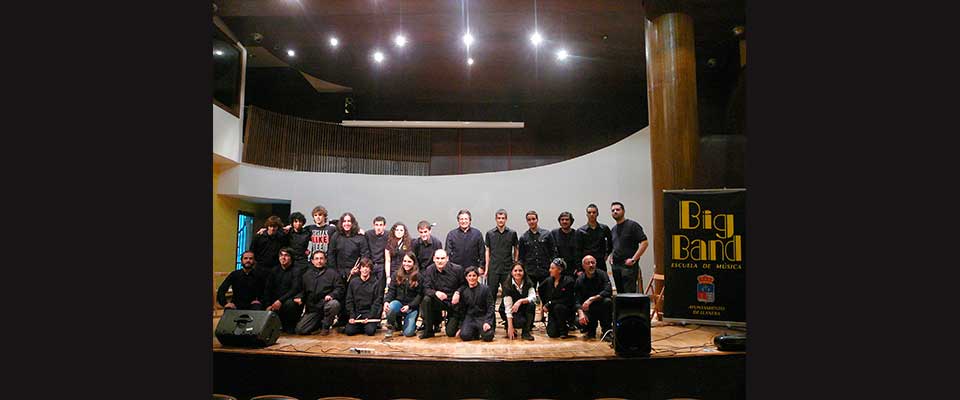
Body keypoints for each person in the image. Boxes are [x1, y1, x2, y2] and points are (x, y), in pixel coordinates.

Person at [328, 212, 370, 328]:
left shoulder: (360, 237)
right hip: (339, 272)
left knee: (352, 297)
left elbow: (365, 255)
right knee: (341, 296)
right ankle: (342, 319)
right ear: (341, 223)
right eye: (344, 221)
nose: (347, 223)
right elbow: (331, 254)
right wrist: (334, 272)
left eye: (349, 221)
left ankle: (354, 318)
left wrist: (359, 269)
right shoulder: (336, 236)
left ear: (353, 223)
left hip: (355, 272)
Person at [419, 249, 466, 339]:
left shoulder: (457, 269)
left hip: (453, 304)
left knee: (450, 333)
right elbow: (425, 288)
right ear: (433, 259)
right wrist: (435, 293)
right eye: (437, 258)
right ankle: (429, 331)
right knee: (426, 299)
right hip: (439, 302)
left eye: (442, 258)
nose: (440, 261)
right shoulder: (429, 270)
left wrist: (458, 292)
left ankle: (452, 321)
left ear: (447, 258)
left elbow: (464, 285)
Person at [295, 250, 344, 336]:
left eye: (321, 258)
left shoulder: (333, 273)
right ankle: (317, 324)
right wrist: (300, 297)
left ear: (325, 260)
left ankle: (325, 326)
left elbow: (340, 288)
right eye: (316, 259)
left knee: (334, 304)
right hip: (313, 309)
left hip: (326, 305)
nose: (319, 261)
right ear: (312, 261)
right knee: (300, 330)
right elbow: (303, 291)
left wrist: (332, 295)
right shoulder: (306, 275)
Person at [608, 202, 649, 294]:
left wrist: (634, 259)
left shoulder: (633, 225)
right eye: (613, 210)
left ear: (623, 211)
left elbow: (645, 243)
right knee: (620, 293)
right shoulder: (614, 229)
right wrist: (611, 256)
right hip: (616, 266)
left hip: (628, 266)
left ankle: (630, 309)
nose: (615, 212)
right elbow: (614, 245)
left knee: (629, 294)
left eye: (617, 209)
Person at [263, 248, 305, 333]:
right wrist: (268, 304)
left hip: (288, 301)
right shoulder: (274, 270)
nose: (283, 258)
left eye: (286, 255)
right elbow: (268, 289)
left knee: (290, 304)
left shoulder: (297, 270)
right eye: (281, 255)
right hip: (275, 301)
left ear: (291, 258)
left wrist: (280, 301)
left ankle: (289, 326)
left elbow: (295, 289)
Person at [383, 252, 423, 337]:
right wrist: (386, 301)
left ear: (414, 263)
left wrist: (409, 306)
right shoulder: (396, 274)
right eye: (405, 261)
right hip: (399, 304)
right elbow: (391, 291)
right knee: (391, 306)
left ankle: (410, 325)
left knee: (408, 333)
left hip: (411, 308)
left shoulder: (418, 276)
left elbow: (420, 296)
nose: (406, 264)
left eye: (409, 261)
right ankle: (391, 326)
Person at [574, 255, 613, 340]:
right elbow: (576, 300)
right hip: (589, 309)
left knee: (608, 301)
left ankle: (607, 331)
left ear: (596, 264)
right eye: (588, 263)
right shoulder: (579, 280)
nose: (591, 265)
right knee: (578, 321)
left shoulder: (602, 274)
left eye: (593, 263)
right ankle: (589, 330)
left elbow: (608, 291)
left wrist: (591, 299)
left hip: (601, 306)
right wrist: (581, 313)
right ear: (583, 266)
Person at [452, 267, 495, 342]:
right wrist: (461, 327)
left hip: (482, 317)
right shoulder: (464, 291)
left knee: (488, 336)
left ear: (477, 276)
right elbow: (462, 311)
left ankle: (479, 330)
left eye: (474, 275)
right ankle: (475, 331)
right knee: (464, 336)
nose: (472, 278)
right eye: (469, 276)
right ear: (466, 277)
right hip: (470, 317)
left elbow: (490, 307)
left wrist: (488, 322)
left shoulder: (485, 289)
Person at [344, 258, 384, 336]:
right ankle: (361, 327)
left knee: (370, 331)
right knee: (349, 331)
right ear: (360, 269)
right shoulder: (353, 282)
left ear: (370, 269)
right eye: (363, 267)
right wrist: (352, 316)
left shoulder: (376, 283)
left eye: (367, 267)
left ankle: (366, 326)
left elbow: (377, 302)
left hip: (369, 314)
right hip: (357, 314)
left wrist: (370, 316)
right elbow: (349, 300)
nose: (365, 269)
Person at [538, 258, 576, 338]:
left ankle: (565, 329)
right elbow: (540, 289)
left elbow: (567, 299)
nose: (550, 270)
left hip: (566, 309)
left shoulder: (569, 281)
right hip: (553, 310)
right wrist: (545, 303)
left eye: (552, 268)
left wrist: (549, 303)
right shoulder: (548, 281)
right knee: (552, 334)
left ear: (559, 270)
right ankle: (557, 327)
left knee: (558, 307)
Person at [485, 209, 519, 298]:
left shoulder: (512, 233)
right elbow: (487, 251)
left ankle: (504, 311)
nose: (501, 220)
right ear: (496, 219)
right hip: (493, 268)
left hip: (507, 267)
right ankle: (491, 312)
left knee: (507, 293)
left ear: (506, 219)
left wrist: (515, 262)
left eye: (503, 218)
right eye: (499, 218)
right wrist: (486, 268)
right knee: (491, 292)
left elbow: (516, 248)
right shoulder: (490, 233)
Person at [518, 210, 556, 290]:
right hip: (530, 272)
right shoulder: (523, 237)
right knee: (530, 296)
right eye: (529, 220)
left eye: (533, 219)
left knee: (547, 294)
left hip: (545, 270)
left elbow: (553, 252)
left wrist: (552, 268)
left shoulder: (547, 234)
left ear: (537, 219)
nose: (531, 221)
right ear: (527, 221)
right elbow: (521, 257)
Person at [499, 262, 537, 341]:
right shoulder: (507, 285)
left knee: (531, 305)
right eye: (515, 270)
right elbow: (508, 308)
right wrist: (510, 327)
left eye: (520, 270)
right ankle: (507, 325)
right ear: (511, 272)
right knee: (519, 322)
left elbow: (533, 297)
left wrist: (520, 301)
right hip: (510, 310)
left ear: (524, 272)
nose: (518, 273)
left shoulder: (528, 282)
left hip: (522, 308)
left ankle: (526, 332)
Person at [578, 204, 613, 273]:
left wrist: (607, 254)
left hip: (600, 262)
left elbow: (611, 243)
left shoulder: (604, 228)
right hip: (586, 263)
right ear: (586, 214)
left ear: (597, 214)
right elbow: (577, 250)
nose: (591, 214)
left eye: (594, 212)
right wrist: (579, 268)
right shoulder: (580, 231)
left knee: (602, 282)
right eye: (589, 212)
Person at [552, 211, 582, 277]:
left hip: (573, 269)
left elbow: (579, 253)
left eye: (567, 219)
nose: (564, 221)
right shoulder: (554, 233)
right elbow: (552, 252)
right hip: (558, 268)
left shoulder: (577, 234)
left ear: (571, 221)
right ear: (559, 221)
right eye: (562, 220)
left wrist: (579, 269)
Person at [366, 216, 389, 286]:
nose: (378, 227)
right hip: (371, 264)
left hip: (382, 265)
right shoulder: (368, 234)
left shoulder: (388, 235)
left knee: (380, 287)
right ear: (374, 225)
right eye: (376, 225)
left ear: (384, 226)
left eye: (381, 225)